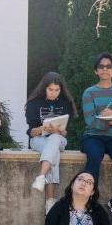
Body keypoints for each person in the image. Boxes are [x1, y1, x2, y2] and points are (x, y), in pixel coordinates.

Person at [81, 52, 112, 218]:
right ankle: (89, 197)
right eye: (101, 67)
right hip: (93, 136)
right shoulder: (89, 92)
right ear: (96, 71)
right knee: (94, 156)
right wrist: (109, 120)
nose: (105, 69)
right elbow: (90, 120)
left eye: (108, 66)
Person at [26, 72, 77, 214]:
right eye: (50, 90)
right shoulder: (33, 103)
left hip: (59, 139)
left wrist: (57, 131)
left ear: (61, 89)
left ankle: (41, 176)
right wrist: (43, 128)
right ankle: (50, 203)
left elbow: (66, 132)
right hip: (38, 140)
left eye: (57, 90)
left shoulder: (65, 103)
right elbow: (31, 132)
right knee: (53, 149)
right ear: (44, 88)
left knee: (55, 139)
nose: (53, 93)